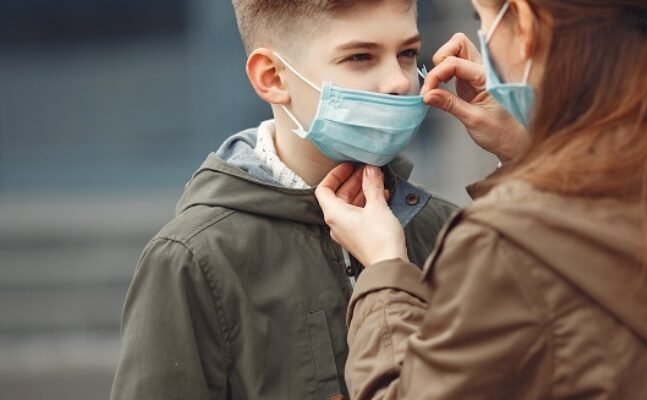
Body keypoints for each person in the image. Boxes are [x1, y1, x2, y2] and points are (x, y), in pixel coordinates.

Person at [316, 0, 647, 399]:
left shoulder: (509, 245)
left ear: (524, 22)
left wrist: (385, 272)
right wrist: (532, 153)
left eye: (482, 20)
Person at [110, 1, 456, 399]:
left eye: (408, 53)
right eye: (360, 57)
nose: (399, 81)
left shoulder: (448, 232)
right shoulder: (193, 259)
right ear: (272, 77)